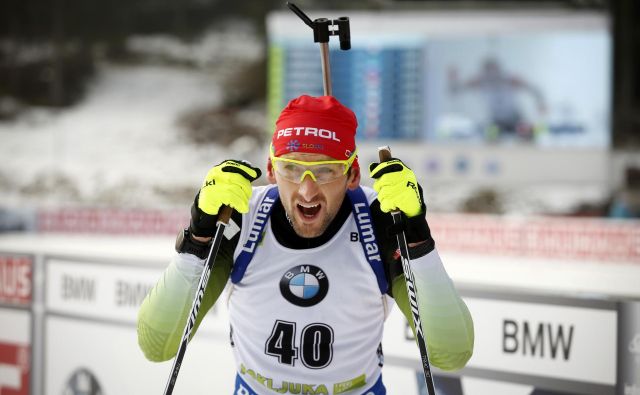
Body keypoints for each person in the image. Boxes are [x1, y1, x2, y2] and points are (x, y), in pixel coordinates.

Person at [137, 95, 474, 395]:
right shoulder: (243, 215)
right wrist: (200, 234)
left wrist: (416, 236)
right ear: (270, 170)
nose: (307, 191)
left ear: (353, 175)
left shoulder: (378, 219)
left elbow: (450, 352)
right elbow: (157, 345)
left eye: (326, 171)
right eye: (292, 169)